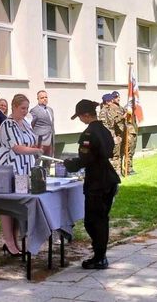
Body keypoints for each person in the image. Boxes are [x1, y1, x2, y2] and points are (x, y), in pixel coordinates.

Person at [64, 99, 120, 270]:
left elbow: (86, 159)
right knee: (102, 219)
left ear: (86, 115)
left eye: (80, 116)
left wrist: (71, 164)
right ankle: (100, 255)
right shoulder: (104, 130)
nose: (80, 119)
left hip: (97, 181)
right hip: (109, 178)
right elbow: (109, 151)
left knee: (93, 221)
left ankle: (99, 256)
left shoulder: (88, 134)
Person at [0, 93, 42, 256]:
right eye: (22, 108)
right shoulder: (8, 124)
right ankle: (9, 241)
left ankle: (15, 239)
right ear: (14, 107)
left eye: (27, 108)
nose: (25, 111)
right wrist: (36, 150)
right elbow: (16, 147)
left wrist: (37, 149)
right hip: (9, 167)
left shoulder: (26, 123)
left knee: (17, 205)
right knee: (7, 204)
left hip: (25, 166)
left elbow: (30, 142)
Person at [99, 93, 124, 174]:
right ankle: (112, 172)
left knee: (116, 155)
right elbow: (105, 126)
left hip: (113, 134)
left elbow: (114, 122)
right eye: (110, 100)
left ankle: (117, 171)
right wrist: (112, 137)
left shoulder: (109, 110)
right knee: (112, 156)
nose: (112, 101)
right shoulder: (103, 112)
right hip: (109, 136)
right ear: (107, 101)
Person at [29, 90, 55, 157]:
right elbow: (30, 126)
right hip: (40, 142)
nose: (44, 99)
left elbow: (51, 125)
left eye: (46, 97)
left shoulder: (50, 110)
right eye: (42, 98)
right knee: (37, 161)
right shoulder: (34, 111)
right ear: (38, 99)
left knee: (48, 162)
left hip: (50, 141)